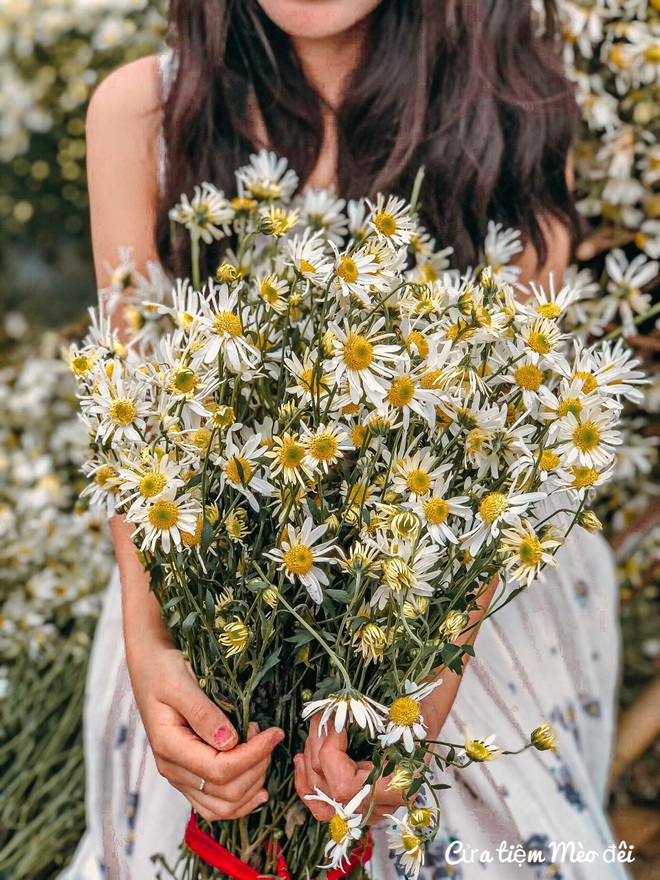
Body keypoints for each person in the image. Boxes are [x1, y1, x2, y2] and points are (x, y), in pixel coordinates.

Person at [59, 1, 629, 878]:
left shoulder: (514, 103)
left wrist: (419, 698)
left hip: (458, 587)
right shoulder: (140, 113)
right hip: (205, 584)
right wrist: (152, 646)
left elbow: (510, 456)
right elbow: (135, 428)